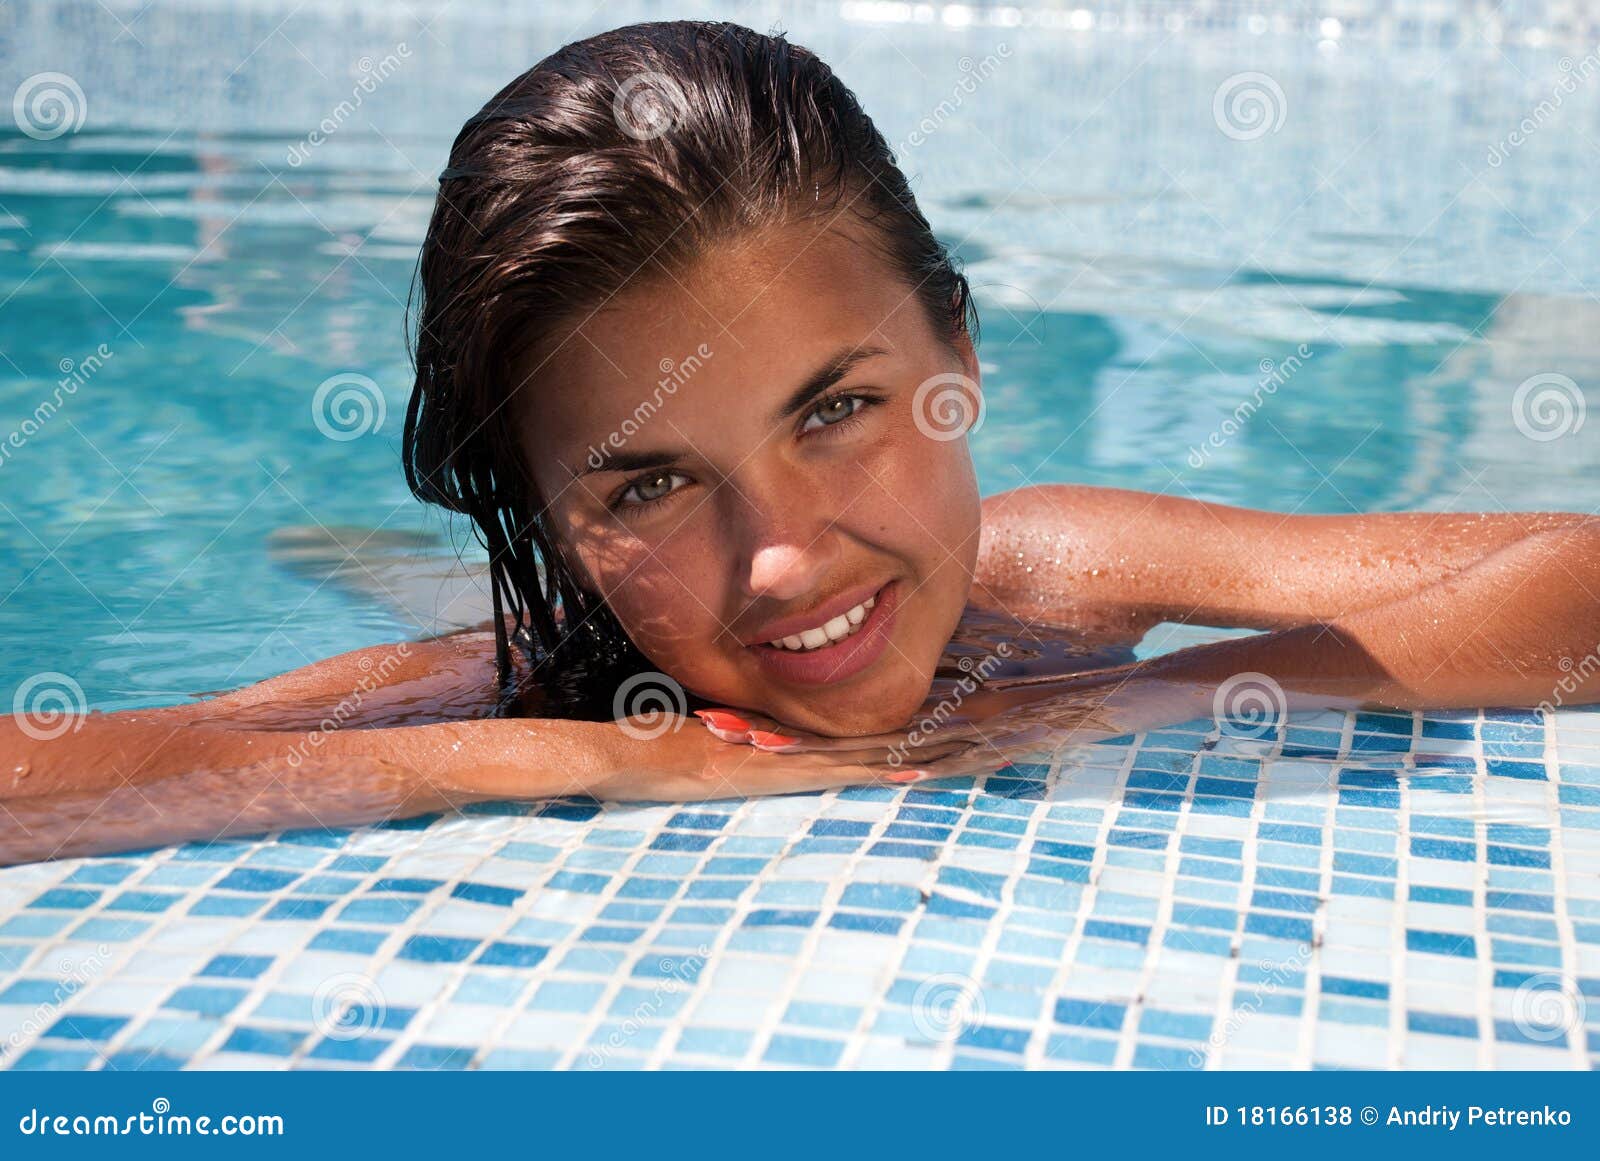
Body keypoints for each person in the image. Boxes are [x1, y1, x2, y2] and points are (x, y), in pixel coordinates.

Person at [3, 20, 1596, 865]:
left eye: (836, 410)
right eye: (649, 483)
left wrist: (1102, 705)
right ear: (561, 536)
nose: (786, 557)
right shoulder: (528, 673)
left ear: (959, 360)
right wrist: (581, 751)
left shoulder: (1047, 570)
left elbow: (1574, 579)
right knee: (394, 601)